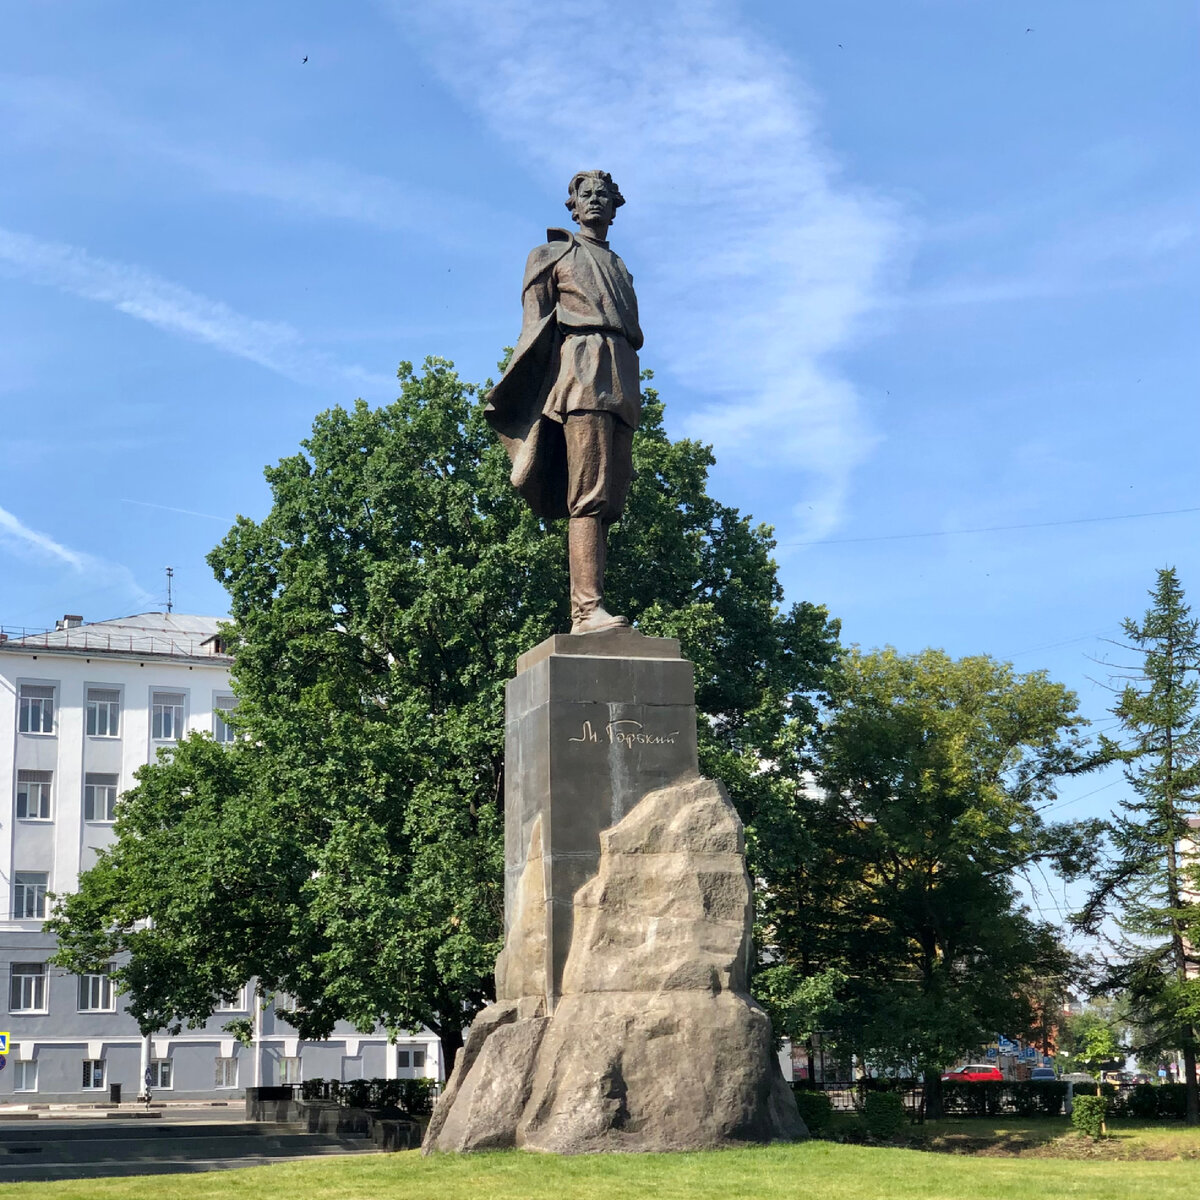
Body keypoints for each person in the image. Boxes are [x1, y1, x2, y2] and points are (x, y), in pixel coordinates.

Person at [485, 170, 643, 634]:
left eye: (603, 195)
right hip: (582, 371)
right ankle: (585, 612)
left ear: (616, 206)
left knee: (610, 503)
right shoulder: (551, 254)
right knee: (588, 497)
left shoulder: (620, 267)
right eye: (585, 195)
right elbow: (531, 333)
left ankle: (594, 607)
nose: (594, 201)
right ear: (572, 206)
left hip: (621, 374)